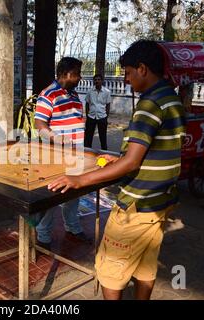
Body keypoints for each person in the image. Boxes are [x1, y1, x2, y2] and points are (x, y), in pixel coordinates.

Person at [47, 40, 186, 300]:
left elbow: (132, 163)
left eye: (128, 72)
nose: (125, 79)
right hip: (161, 200)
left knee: (111, 269)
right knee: (145, 264)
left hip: (137, 204)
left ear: (142, 69)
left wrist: (80, 180)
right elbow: (153, 149)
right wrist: (120, 158)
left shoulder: (149, 104)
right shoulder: (171, 98)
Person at [34, 57, 92, 248]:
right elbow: (40, 124)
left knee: (74, 194)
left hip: (76, 156)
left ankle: (73, 227)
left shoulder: (75, 95)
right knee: (52, 197)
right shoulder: (48, 94)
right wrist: (59, 140)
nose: (80, 78)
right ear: (67, 74)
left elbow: (78, 120)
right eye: (77, 73)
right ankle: (43, 237)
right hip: (55, 157)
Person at [84, 74, 112, 150]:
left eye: (99, 79)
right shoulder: (90, 91)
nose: (97, 81)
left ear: (102, 81)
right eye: (95, 80)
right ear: (94, 81)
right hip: (91, 117)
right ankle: (87, 153)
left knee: (103, 137)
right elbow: (87, 103)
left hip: (102, 117)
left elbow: (108, 105)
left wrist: (106, 117)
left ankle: (104, 153)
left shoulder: (107, 92)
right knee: (88, 137)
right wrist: (87, 115)